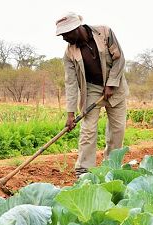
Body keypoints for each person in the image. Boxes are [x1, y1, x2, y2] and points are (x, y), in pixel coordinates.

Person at [55, 12, 129, 177]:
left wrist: (111, 84)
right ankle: (84, 170)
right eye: (62, 35)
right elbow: (71, 84)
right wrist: (70, 113)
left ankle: (111, 167)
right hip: (91, 90)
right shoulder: (69, 54)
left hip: (115, 87)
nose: (64, 38)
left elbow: (120, 59)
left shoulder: (105, 32)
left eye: (66, 34)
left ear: (77, 28)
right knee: (88, 130)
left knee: (117, 130)